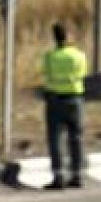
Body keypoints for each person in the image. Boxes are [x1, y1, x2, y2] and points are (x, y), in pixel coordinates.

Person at [41, 22, 88, 189]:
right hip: (75, 99)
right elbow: (82, 74)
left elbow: (46, 74)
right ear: (69, 37)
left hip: (55, 100)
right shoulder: (80, 56)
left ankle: (58, 176)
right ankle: (77, 175)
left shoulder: (50, 56)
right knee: (76, 138)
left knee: (55, 139)